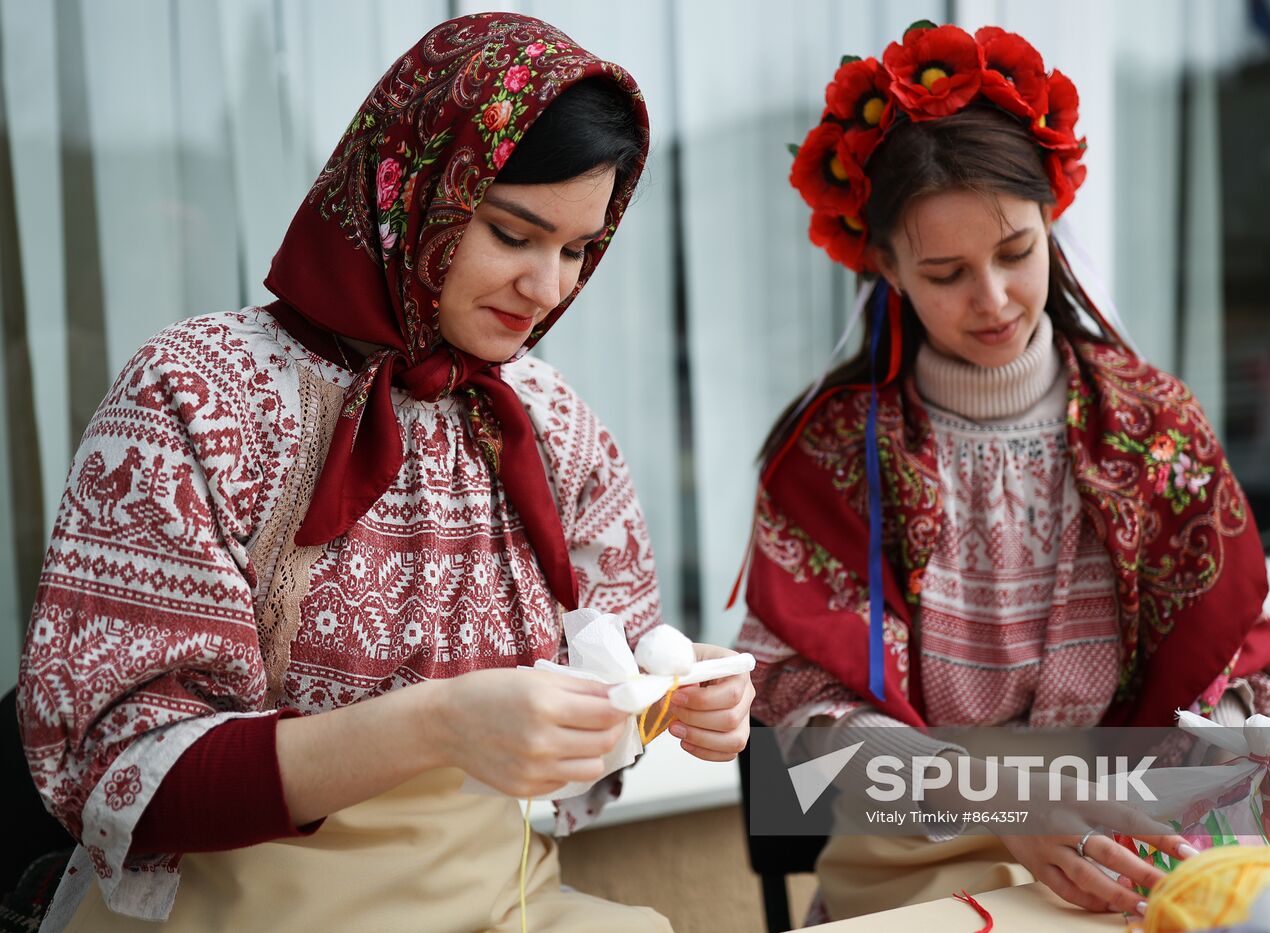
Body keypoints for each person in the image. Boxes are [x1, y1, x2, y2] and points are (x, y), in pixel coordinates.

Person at [18, 13, 752, 931]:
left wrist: (669, 701)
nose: (550, 288)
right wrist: (436, 724)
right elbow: (120, 776)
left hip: (497, 903)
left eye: (576, 249)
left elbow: (605, 688)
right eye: (514, 233)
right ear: (412, 191)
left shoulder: (551, 421)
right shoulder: (200, 395)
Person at [737, 21, 1270, 923]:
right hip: (918, 875)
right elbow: (804, 729)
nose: (992, 300)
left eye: (1016, 253)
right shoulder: (832, 456)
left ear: (1051, 221)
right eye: (946, 272)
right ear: (885, 266)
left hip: (1134, 861)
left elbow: (1226, 663)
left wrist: (1246, 753)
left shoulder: (1154, 429)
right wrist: (1005, 800)